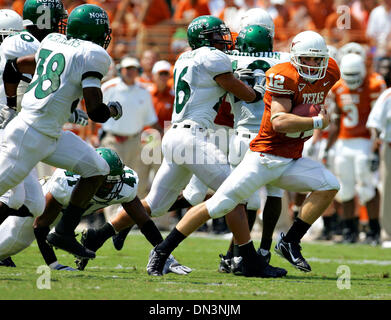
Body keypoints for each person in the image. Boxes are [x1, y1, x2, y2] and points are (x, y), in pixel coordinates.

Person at [146, 30, 341, 276]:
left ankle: (290, 241)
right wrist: (316, 122)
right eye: (306, 59)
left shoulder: (331, 71)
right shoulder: (283, 75)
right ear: (294, 57)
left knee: (329, 184)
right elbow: (280, 121)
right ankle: (162, 251)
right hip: (264, 159)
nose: (312, 65)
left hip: (291, 160)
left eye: (317, 59)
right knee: (217, 205)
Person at [141, 14, 289, 278]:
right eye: (217, 36)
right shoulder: (216, 58)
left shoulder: (186, 58)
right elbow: (241, 90)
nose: (224, 40)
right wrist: (256, 92)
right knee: (231, 196)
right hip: (205, 136)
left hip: (178, 135)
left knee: (160, 203)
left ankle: (98, 234)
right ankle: (246, 258)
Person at [1, 3, 122, 260]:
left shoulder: (53, 41)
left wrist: (11, 105)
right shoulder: (93, 54)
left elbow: (12, 67)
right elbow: (95, 111)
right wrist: (112, 110)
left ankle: (64, 232)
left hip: (49, 133)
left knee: (97, 169)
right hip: (30, 134)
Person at [27, 148, 189, 274]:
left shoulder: (126, 184)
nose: (111, 187)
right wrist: (54, 265)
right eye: (106, 182)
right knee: (11, 243)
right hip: (33, 208)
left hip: (66, 215)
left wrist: (164, 254)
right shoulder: (66, 184)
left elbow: (144, 222)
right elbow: (40, 225)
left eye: (114, 181)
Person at [324, 53, 385, 244]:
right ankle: (349, 231)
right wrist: (327, 148)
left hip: (365, 142)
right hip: (343, 143)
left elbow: (378, 121)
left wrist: (376, 149)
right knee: (346, 189)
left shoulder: (375, 84)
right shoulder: (338, 88)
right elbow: (335, 121)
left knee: (367, 188)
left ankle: (374, 232)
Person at [99, 55, 162, 204]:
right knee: (110, 180)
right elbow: (94, 111)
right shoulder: (108, 87)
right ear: (121, 70)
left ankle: (127, 219)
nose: (130, 72)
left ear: (138, 71)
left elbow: (151, 120)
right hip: (112, 141)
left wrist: (162, 133)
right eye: (127, 69)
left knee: (133, 180)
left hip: (135, 141)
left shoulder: (143, 91)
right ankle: (112, 219)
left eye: (133, 69)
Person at [367, 86, 391, 241]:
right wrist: (375, 148)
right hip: (390, 147)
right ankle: (388, 234)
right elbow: (374, 123)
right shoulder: (388, 95)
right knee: (388, 192)